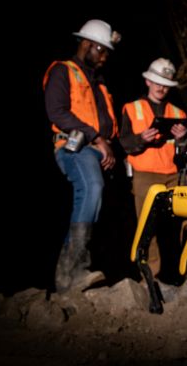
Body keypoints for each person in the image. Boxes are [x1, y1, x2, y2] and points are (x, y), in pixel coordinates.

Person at [43, 19, 121, 294]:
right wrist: (98, 138)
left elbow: (107, 124)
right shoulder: (63, 71)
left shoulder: (99, 84)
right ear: (87, 44)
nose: (104, 57)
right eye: (102, 50)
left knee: (95, 204)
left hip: (98, 150)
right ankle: (73, 270)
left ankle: (71, 276)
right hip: (74, 146)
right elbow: (57, 112)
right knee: (91, 189)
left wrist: (108, 144)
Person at [120, 58, 187, 281]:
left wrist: (182, 140)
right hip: (145, 174)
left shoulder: (178, 113)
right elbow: (125, 143)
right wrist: (141, 139)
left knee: (174, 224)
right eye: (157, 82)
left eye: (165, 83)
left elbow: (183, 152)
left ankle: (177, 272)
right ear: (148, 81)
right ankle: (152, 276)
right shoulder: (131, 109)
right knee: (147, 224)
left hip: (172, 175)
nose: (161, 88)